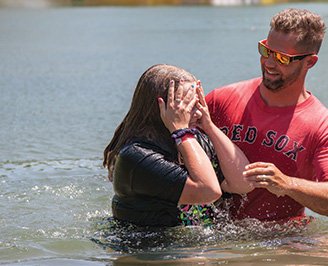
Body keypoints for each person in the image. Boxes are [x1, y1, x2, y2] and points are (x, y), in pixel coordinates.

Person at [205, 8, 328, 222]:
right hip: (212, 233)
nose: (268, 63)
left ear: (310, 62)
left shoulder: (324, 127)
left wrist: (287, 184)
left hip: (278, 242)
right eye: (266, 50)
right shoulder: (220, 99)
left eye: (282, 58)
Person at [103, 64, 250, 227]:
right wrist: (181, 132)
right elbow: (208, 192)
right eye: (188, 106)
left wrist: (209, 126)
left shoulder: (196, 141)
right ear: (161, 108)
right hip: (148, 248)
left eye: (198, 103)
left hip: (189, 245)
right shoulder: (136, 156)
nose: (199, 113)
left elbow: (244, 183)